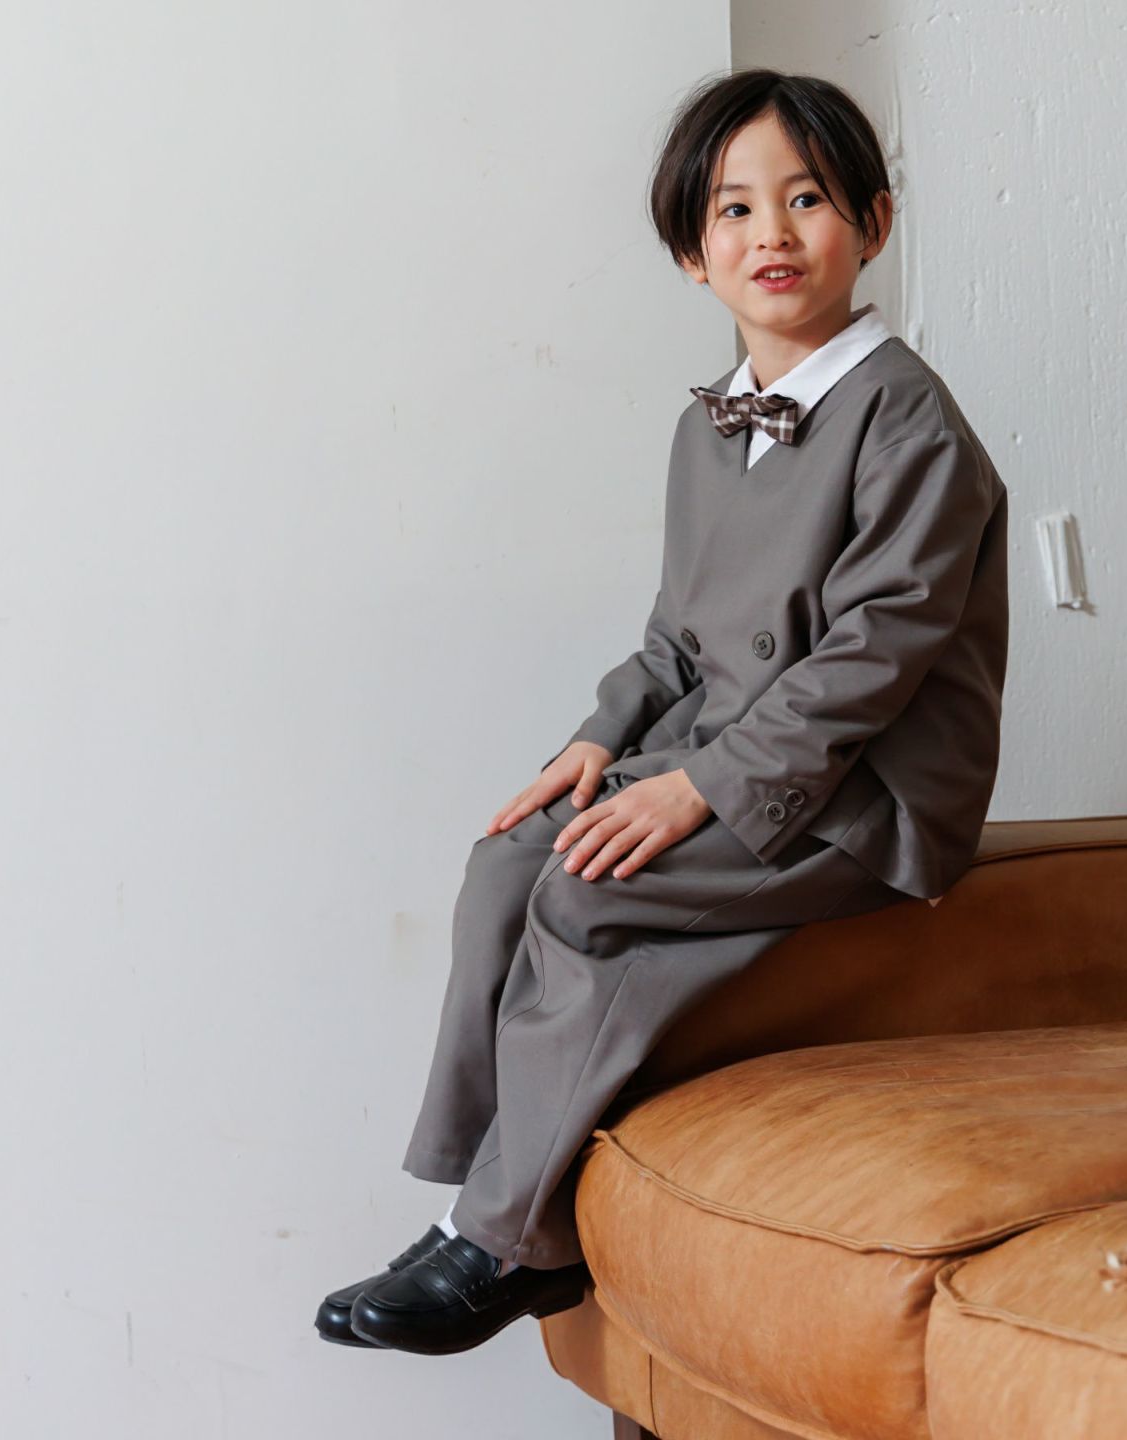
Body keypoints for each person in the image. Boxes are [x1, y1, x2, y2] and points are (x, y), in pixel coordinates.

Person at [316, 67, 1009, 1356]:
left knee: (587, 895)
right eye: (734, 209)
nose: (772, 233)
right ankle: (477, 1200)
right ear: (693, 253)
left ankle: (506, 1244)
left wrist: (700, 786)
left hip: (860, 790)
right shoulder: (712, 431)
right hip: (728, 749)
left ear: (873, 220)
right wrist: (600, 739)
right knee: (506, 865)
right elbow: (676, 641)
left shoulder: (909, 422)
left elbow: (873, 658)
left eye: (808, 198)